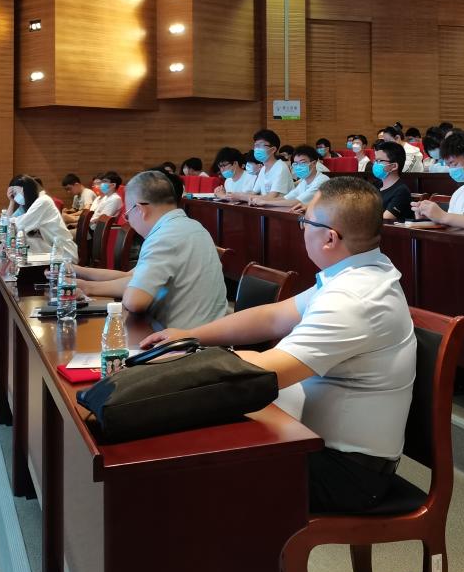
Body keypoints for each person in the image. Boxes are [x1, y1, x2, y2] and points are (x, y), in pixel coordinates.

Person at [141, 177, 416, 513]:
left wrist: (175, 365)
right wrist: (192, 336)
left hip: (345, 470)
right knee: (203, 434)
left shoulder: (354, 299)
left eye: (305, 222)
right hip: (318, 439)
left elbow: (265, 374)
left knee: (193, 463)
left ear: (329, 237)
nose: (302, 229)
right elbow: (272, 317)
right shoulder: (358, 271)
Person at [76, 170, 228, 329]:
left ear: (140, 209)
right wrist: (86, 286)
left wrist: (89, 287)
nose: (129, 221)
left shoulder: (164, 236)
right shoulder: (193, 226)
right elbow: (134, 280)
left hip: (186, 339)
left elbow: (134, 301)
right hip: (209, 332)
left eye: (128, 215)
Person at [8, 175, 78, 260]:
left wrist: (6, 222)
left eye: (15, 193)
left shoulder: (43, 201)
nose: (16, 197)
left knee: (21, 253)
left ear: (25, 189)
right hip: (54, 249)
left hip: (65, 255)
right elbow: (13, 224)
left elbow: (17, 225)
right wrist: (11, 201)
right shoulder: (35, 203)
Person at [253, 146, 330, 210]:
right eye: (296, 163)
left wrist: (266, 202)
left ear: (314, 163)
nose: (298, 167)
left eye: (302, 163)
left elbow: (296, 202)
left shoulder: (322, 181)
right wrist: (262, 200)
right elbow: (286, 198)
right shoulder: (303, 181)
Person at [225, 129, 292, 202]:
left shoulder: (280, 167)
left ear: (273, 149)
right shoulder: (263, 169)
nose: (256, 149)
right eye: (255, 146)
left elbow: (271, 197)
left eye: (260, 145)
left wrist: (241, 197)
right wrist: (234, 195)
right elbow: (254, 193)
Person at [371, 141, 414, 221]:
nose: (375, 164)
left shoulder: (402, 191)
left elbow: (386, 218)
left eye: (379, 161)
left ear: (394, 166)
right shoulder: (375, 185)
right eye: (375, 160)